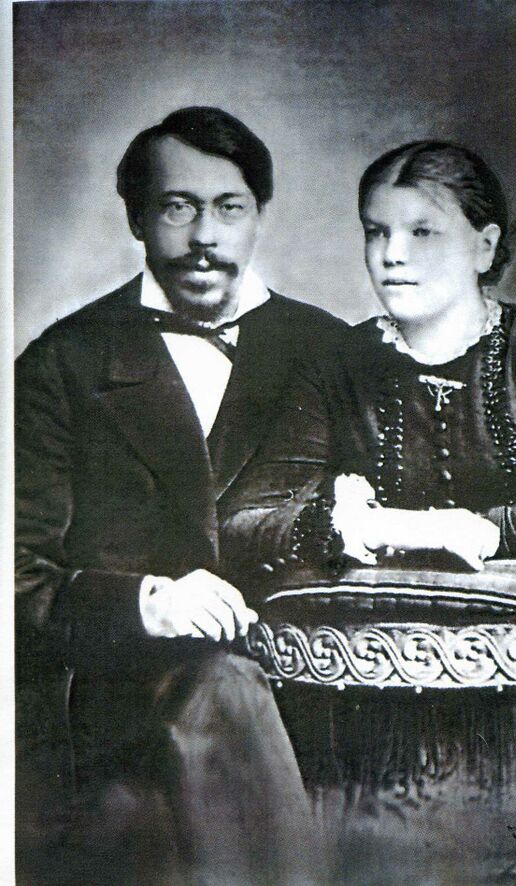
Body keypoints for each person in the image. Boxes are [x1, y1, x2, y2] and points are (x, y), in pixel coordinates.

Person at [15, 106, 344, 885]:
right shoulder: (63, 363)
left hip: (318, 696)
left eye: (228, 208)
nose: (204, 236)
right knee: (220, 688)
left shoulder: (332, 351)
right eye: (177, 208)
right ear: (137, 219)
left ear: (258, 216)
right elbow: (15, 576)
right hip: (126, 708)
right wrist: (147, 604)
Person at [222, 140, 516, 577]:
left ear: (484, 247)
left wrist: (428, 530)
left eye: (422, 232)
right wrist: (392, 530)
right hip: (369, 615)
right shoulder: (333, 363)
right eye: (377, 231)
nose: (392, 255)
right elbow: (242, 524)